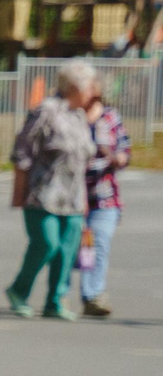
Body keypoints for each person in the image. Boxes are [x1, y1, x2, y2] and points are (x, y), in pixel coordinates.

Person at [6, 59, 102, 319]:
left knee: (67, 250)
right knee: (45, 244)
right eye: (89, 86)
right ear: (74, 87)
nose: (94, 91)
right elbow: (22, 151)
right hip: (43, 194)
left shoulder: (79, 115)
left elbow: (85, 156)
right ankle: (19, 290)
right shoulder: (46, 111)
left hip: (73, 197)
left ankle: (55, 301)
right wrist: (19, 190)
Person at [79, 75, 130, 318]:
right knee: (72, 249)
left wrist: (119, 158)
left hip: (104, 196)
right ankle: (58, 295)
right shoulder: (70, 116)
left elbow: (124, 148)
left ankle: (92, 295)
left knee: (97, 243)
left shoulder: (110, 117)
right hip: (70, 195)